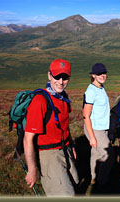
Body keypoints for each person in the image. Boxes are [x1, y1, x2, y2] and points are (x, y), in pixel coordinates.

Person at [24, 59, 79, 196]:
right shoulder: (40, 101)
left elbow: (64, 126)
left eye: (65, 77)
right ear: (49, 75)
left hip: (65, 149)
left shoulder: (63, 97)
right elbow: (28, 138)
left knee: (75, 182)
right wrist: (32, 169)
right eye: (57, 76)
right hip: (49, 155)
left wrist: (70, 145)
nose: (61, 81)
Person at [83, 63, 114, 193]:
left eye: (104, 73)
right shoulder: (91, 91)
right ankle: (102, 183)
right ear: (93, 75)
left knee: (95, 154)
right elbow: (85, 115)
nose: (103, 76)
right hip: (94, 128)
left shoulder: (101, 87)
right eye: (100, 73)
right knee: (109, 155)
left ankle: (94, 178)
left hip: (102, 127)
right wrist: (92, 136)